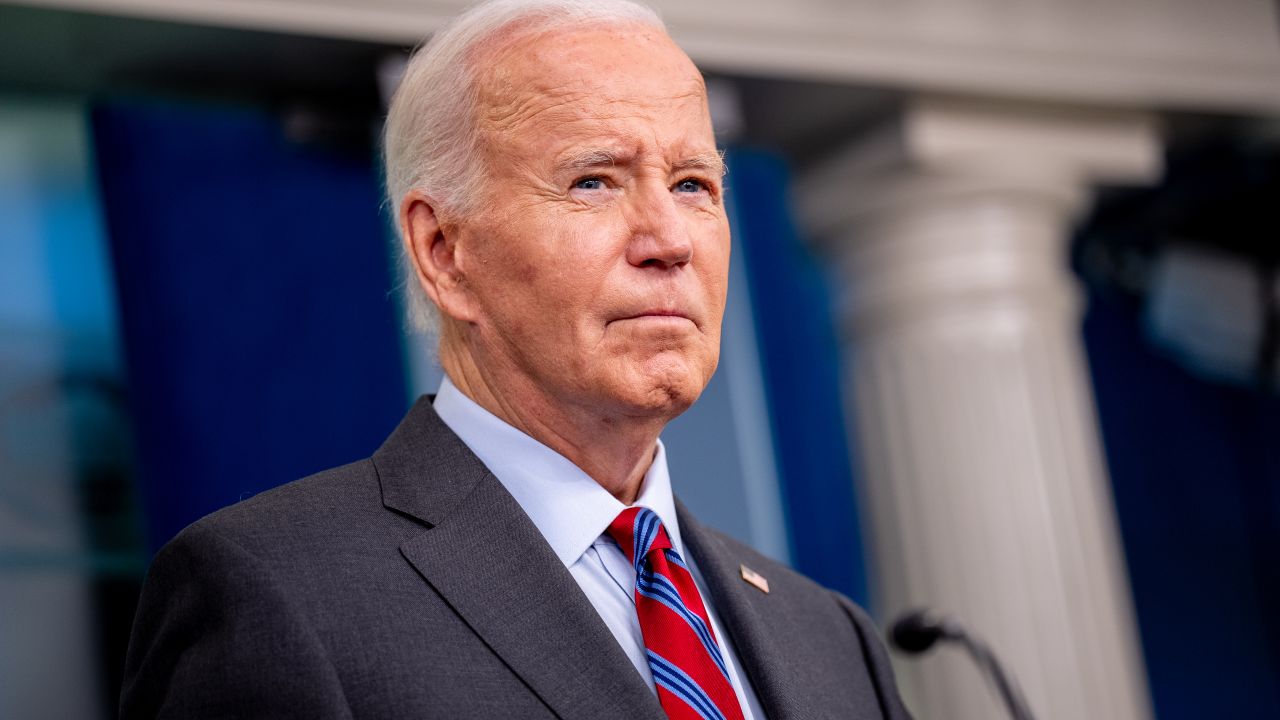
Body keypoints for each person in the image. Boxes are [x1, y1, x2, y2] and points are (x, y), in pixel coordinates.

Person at [119, 1, 912, 718]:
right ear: (445, 252)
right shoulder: (275, 596)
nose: (669, 240)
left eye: (694, 185)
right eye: (594, 181)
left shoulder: (831, 638)